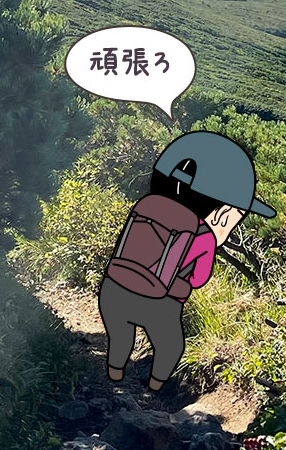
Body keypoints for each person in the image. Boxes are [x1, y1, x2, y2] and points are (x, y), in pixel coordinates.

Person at [98, 130, 275, 390]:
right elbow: (199, 278)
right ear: (224, 214)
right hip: (159, 302)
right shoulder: (204, 236)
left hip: (112, 288)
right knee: (170, 346)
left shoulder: (145, 205)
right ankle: (156, 388)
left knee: (121, 335)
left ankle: (114, 375)